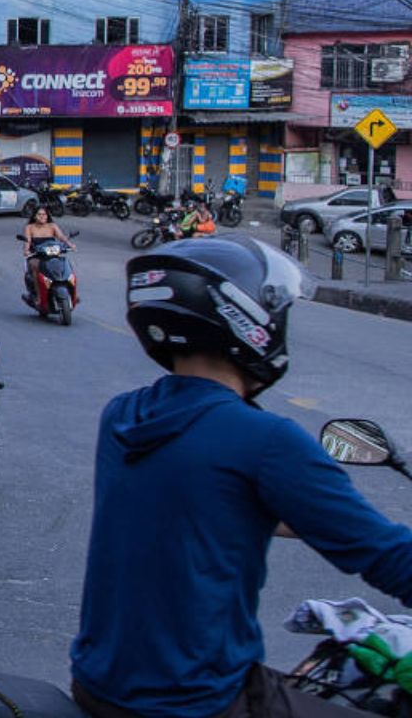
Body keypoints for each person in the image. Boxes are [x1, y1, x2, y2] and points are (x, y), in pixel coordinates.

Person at [69, 238, 412, 718]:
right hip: (198, 701)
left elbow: (205, 505)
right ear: (250, 320)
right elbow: (383, 552)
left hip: (97, 685)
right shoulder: (266, 440)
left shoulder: (123, 417)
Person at [21, 204, 74, 304]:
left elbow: (62, 237)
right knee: (35, 267)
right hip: (37, 256)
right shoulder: (30, 227)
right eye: (39, 214)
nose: (42, 216)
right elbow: (27, 241)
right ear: (34, 216)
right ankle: (39, 296)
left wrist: (70, 245)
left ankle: (72, 294)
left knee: (66, 265)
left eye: (44, 214)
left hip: (52, 255)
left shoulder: (52, 226)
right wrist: (26, 250)